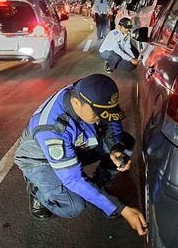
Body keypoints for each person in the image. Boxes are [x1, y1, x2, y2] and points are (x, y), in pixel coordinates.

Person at [14, 74, 147, 236]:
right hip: (40, 161)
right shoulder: (52, 129)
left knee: (124, 143)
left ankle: (98, 185)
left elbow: (111, 119)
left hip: (73, 145)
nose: (101, 117)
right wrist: (121, 209)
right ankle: (37, 190)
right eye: (98, 113)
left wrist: (115, 147)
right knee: (74, 206)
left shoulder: (86, 91)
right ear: (76, 103)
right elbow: (73, 179)